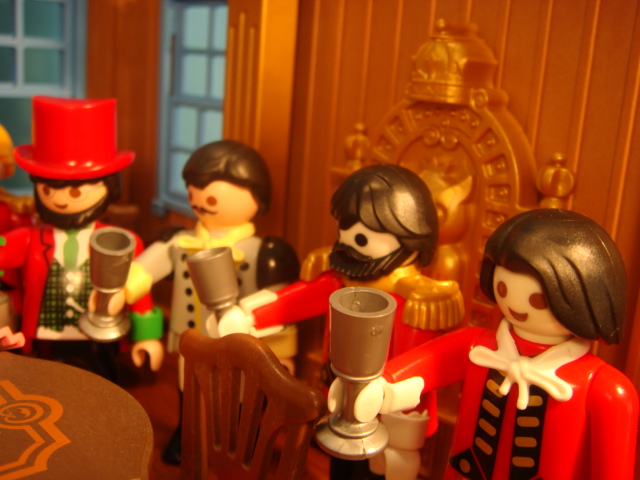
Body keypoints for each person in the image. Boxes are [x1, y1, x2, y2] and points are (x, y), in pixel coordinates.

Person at [217, 163, 464, 479]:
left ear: (412, 238)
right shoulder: (343, 280)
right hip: (340, 396)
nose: (348, 242)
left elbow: (423, 361)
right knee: (341, 464)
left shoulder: (417, 299)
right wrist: (248, 315)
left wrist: (389, 392)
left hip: (391, 411)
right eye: (344, 228)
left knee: (387, 467)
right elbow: (299, 299)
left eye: (363, 235)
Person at [377, 209, 638, 479]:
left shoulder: (605, 389)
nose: (514, 304)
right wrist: (381, 384)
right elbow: (428, 361)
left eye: (537, 299)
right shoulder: (478, 348)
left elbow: (613, 470)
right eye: (502, 288)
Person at [124, 139, 300, 464]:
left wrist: (283, 354)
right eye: (194, 192)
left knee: (240, 393)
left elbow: (280, 307)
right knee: (188, 385)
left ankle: (237, 441)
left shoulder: (265, 252)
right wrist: (120, 289)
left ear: (256, 196)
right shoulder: (180, 242)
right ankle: (187, 434)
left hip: (240, 344)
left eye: (211, 195)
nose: (200, 201)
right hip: (191, 338)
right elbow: (142, 271)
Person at [4, 96, 163, 380]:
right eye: (48, 189)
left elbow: (139, 289)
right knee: (45, 384)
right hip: (46, 337)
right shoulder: (29, 239)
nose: (60, 200)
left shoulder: (121, 242)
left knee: (103, 385)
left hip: (101, 336)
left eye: (75, 191)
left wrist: (146, 336)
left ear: (109, 186)